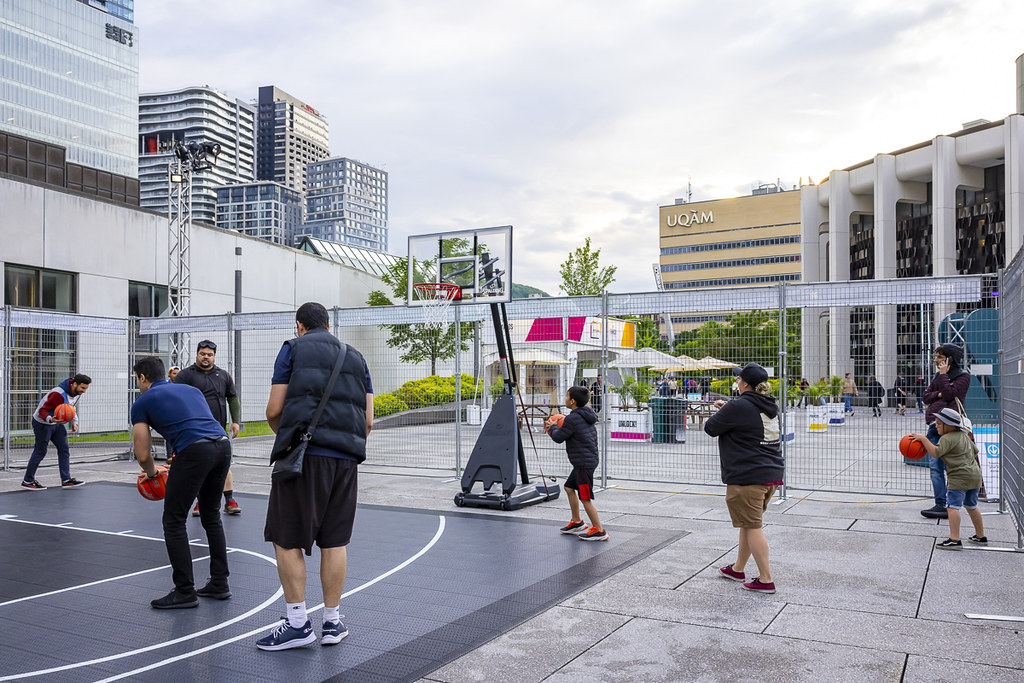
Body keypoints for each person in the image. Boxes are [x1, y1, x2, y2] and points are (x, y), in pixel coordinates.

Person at [258, 302, 373, 651]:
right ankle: (332, 622)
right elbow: (368, 421)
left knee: (286, 537)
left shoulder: (293, 349)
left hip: (305, 459)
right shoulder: (356, 357)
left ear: (299, 325)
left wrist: (290, 440)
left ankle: (297, 623)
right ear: (328, 325)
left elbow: (274, 410)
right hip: (346, 460)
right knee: (334, 540)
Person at [130, 356, 232, 609]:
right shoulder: (191, 390)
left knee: (173, 520)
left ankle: (185, 591)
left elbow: (142, 455)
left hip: (194, 450)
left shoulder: (142, 402)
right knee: (211, 515)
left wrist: (152, 473)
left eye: (137, 379)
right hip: (222, 445)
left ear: (142, 378)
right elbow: (199, 422)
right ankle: (220, 583)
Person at [704, 362, 784, 594]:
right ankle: (738, 569)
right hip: (770, 474)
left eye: (739, 378)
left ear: (746, 384)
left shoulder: (738, 406)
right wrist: (729, 409)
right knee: (748, 524)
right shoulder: (769, 404)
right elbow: (748, 421)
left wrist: (725, 411)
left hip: (748, 477)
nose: (736, 381)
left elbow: (711, 428)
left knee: (752, 526)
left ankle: (766, 579)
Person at [174, 340, 243, 515]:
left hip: (219, 430)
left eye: (210, 355)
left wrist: (236, 421)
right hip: (195, 431)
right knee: (200, 466)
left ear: (214, 356)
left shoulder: (223, 375)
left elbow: (233, 398)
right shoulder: (185, 376)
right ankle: (200, 501)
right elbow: (175, 400)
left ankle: (229, 501)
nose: (206, 357)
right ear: (197, 354)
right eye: (203, 354)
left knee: (223, 464)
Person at [908, 408, 986, 549]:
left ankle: (954, 539)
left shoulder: (946, 438)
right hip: (975, 476)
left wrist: (924, 439)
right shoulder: (964, 435)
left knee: (952, 507)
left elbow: (935, 452)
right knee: (972, 506)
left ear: (950, 425)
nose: (936, 426)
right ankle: (981, 536)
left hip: (958, 478)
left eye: (939, 423)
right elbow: (975, 452)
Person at [547, 385, 606, 542]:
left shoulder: (572, 419)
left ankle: (599, 530)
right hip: (586, 461)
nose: (565, 399)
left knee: (585, 498)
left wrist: (552, 427)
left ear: (572, 401)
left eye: (567, 396)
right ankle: (577, 522)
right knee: (568, 487)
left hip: (583, 464)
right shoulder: (587, 415)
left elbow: (558, 437)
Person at [920, 344, 971, 519]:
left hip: (950, 428)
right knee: (935, 466)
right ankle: (940, 504)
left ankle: (953, 503)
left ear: (950, 359)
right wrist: (940, 393)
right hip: (935, 425)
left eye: (939, 357)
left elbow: (950, 395)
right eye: (936, 356)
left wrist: (943, 378)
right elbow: (926, 397)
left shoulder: (963, 377)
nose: (935, 360)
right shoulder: (938, 376)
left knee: (952, 466)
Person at [21, 374, 91, 490]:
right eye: (82, 388)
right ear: (74, 384)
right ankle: (27, 481)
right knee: (40, 451)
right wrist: (50, 419)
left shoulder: (75, 393)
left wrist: (74, 422)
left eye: (86, 388)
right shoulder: (58, 394)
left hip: (56, 423)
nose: (84, 391)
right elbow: (43, 410)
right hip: (42, 423)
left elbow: (70, 408)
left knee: (64, 449)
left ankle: (66, 480)